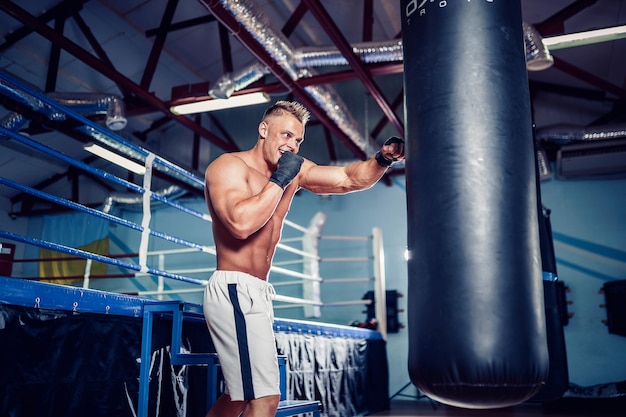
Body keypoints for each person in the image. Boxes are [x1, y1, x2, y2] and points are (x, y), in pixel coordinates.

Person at [202, 100, 404, 417]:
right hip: (233, 288)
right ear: (263, 130)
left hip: (257, 292)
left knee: (238, 397)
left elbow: (349, 178)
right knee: (266, 399)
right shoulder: (228, 167)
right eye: (285, 135)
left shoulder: (293, 171)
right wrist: (281, 179)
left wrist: (381, 160)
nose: (291, 145)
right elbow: (240, 225)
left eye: (297, 140)